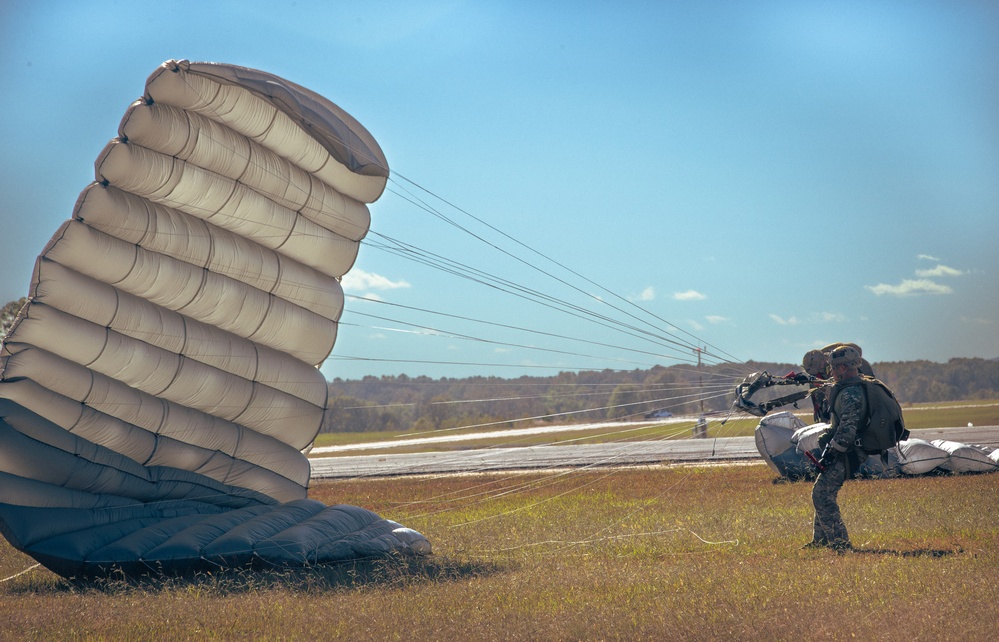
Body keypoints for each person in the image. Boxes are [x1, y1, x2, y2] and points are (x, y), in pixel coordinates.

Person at [805, 345, 868, 551]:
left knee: (821, 494)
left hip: (850, 452)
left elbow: (847, 433)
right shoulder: (849, 388)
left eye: (832, 369)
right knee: (823, 491)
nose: (830, 373)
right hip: (846, 449)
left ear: (842, 369)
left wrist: (829, 454)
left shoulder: (851, 393)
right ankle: (821, 540)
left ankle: (841, 546)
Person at [801, 349, 831, 423]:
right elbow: (814, 393)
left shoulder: (836, 365)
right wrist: (817, 409)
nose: (821, 366)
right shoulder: (816, 374)